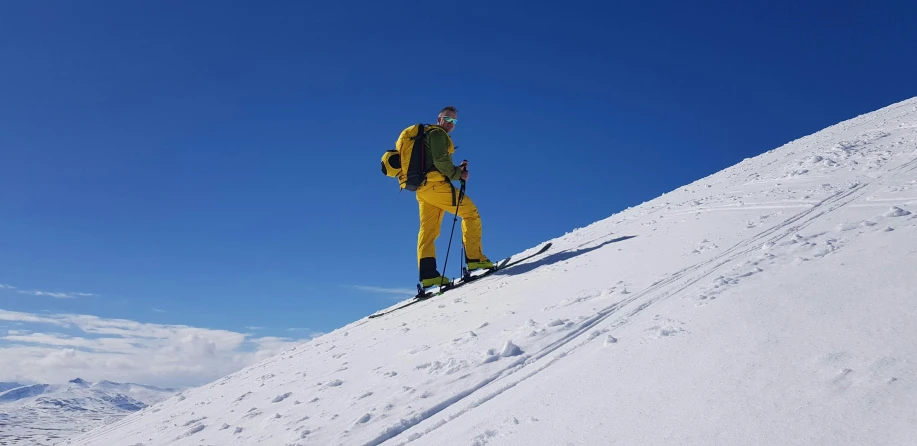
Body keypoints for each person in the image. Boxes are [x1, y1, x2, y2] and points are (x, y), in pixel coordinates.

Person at [415, 105, 493, 287]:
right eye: (448, 119)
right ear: (439, 118)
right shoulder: (438, 134)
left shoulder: (426, 135)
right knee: (470, 213)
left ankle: (428, 275)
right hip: (436, 187)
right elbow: (441, 162)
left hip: (423, 190)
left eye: (454, 121)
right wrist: (459, 174)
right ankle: (474, 258)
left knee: (428, 231)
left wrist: (456, 170)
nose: (451, 124)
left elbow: (435, 164)